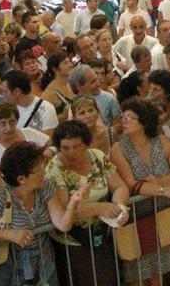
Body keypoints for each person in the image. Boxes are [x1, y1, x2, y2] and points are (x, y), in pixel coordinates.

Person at [0, 142, 88, 286]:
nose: (44, 173)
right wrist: (9, 234)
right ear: (21, 178)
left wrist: (73, 202)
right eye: (39, 171)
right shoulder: (1, 197)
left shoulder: (45, 187)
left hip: (45, 260)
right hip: (13, 265)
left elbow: (63, 224)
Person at [109, 98, 170, 285]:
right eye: (124, 116)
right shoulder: (118, 149)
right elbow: (131, 184)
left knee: (158, 271)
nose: (124, 120)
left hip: (163, 213)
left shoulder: (162, 141)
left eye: (131, 117)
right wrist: (163, 190)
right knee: (136, 271)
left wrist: (161, 182)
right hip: (136, 217)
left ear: (144, 122)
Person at [45, 120, 129, 286]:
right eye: (65, 148)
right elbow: (63, 211)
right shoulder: (54, 169)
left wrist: (119, 208)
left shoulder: (97, 156)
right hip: (73, 242)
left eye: (77, 146)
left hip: (101, 234)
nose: (71, 153)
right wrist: (99, 208)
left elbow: (119, 186)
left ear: (87, 144)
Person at [40, 52, 74, 122]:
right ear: (55, 69)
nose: (71, 65)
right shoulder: (49, 94)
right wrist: (63, 116)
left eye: (69, 62)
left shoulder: (70, 83)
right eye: (65, 63)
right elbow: (43, 121)